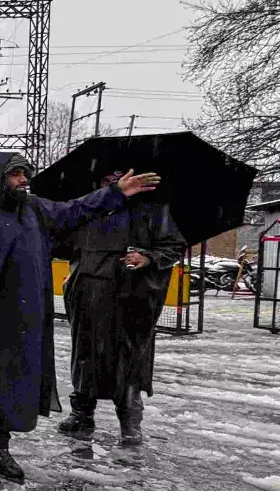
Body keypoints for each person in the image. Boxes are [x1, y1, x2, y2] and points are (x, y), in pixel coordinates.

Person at [0, 152, 159, 482]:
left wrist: (115, 193)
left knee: (10, 381)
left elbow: (76, 210)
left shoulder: (35, 210)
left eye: (26, 172)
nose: (24, 179)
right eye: (15, 174)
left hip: (22, 316)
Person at [56, 170, 186, 446]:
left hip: (131, 296)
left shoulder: (152, 210)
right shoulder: (87, 209)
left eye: (120, 174)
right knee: (85, 355)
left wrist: (147, 257)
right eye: (109, 178)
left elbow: (174, 246)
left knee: (129, 359)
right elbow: (62, 243)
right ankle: (81, 416)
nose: (114, 181)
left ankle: (129, 423)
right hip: (87, 293)